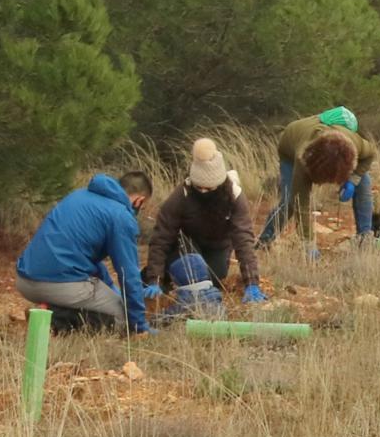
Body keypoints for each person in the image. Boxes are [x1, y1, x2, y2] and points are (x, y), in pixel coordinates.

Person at [15, 169, 153, 335]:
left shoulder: (78, 195)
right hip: (58, 283)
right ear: (139, 201)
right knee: (123, 319)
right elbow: (128, 274)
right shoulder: (121, 216)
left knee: (108, 300)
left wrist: (110, 287)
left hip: (24, 280)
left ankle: (48, 310)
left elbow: (86, 256)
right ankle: (55, 318)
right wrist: (139, 326)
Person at [143, 139, 265, 310]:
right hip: (186, 245)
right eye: (199, 187)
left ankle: (180, 275)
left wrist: (252, 282)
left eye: (208, 188)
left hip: (218, 246)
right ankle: (163, 278)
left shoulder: (234, 196)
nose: (203, 192)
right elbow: (161, 237)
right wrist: (154, 278)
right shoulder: (181, 195)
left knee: (212, 279)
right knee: (193, 274)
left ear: (220, 183)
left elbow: (243, 240)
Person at [265, 114, 376, 251]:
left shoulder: (356, 144)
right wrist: (308, 243)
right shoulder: (303, 160)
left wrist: (353, 180)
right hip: (290, 145)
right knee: (289, 201)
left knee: (363, 182)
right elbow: (301, 203)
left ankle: (364, 238)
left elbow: (370, 155)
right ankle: (264, 240)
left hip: (334, 144)